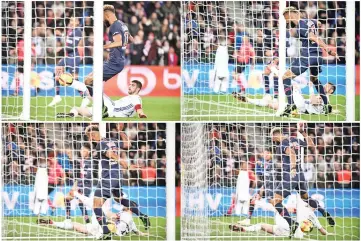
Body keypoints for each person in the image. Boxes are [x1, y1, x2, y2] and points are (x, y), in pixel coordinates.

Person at [280, 7, 338, 116]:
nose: (285, 20)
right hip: (317, 56)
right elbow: (319, 23)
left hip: (308, 56)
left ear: (291, 14)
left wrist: (328, 49)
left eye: (285, 17)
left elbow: (313, 37)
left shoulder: (301, 26)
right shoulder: (310, 21)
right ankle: (327, 105)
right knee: (314, 79)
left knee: (285, 77)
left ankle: (291, 105)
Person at [84, 5, 133, 115]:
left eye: (102, 16)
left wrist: (104, 47)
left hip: (115, 63)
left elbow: (120, 42)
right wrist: (113, 51)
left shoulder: (114, 26)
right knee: (88, 80)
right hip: (114, 60)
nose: (101, 19)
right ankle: (102, 107)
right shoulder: (122, 24)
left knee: (89, 81)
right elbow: (130, 40)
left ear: (107, 15)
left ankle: (102, 108)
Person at [56, 80, 147, 118]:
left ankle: (70, 82)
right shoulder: (130, 98)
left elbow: (138, 108)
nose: (130, 86)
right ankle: (71, 114)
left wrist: (141, 114)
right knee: (76, 108)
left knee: (90, 85)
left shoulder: (136, 98)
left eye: (133, 85)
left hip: (110, 107)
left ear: (138, 89)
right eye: (130, 84)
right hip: (106, 109)